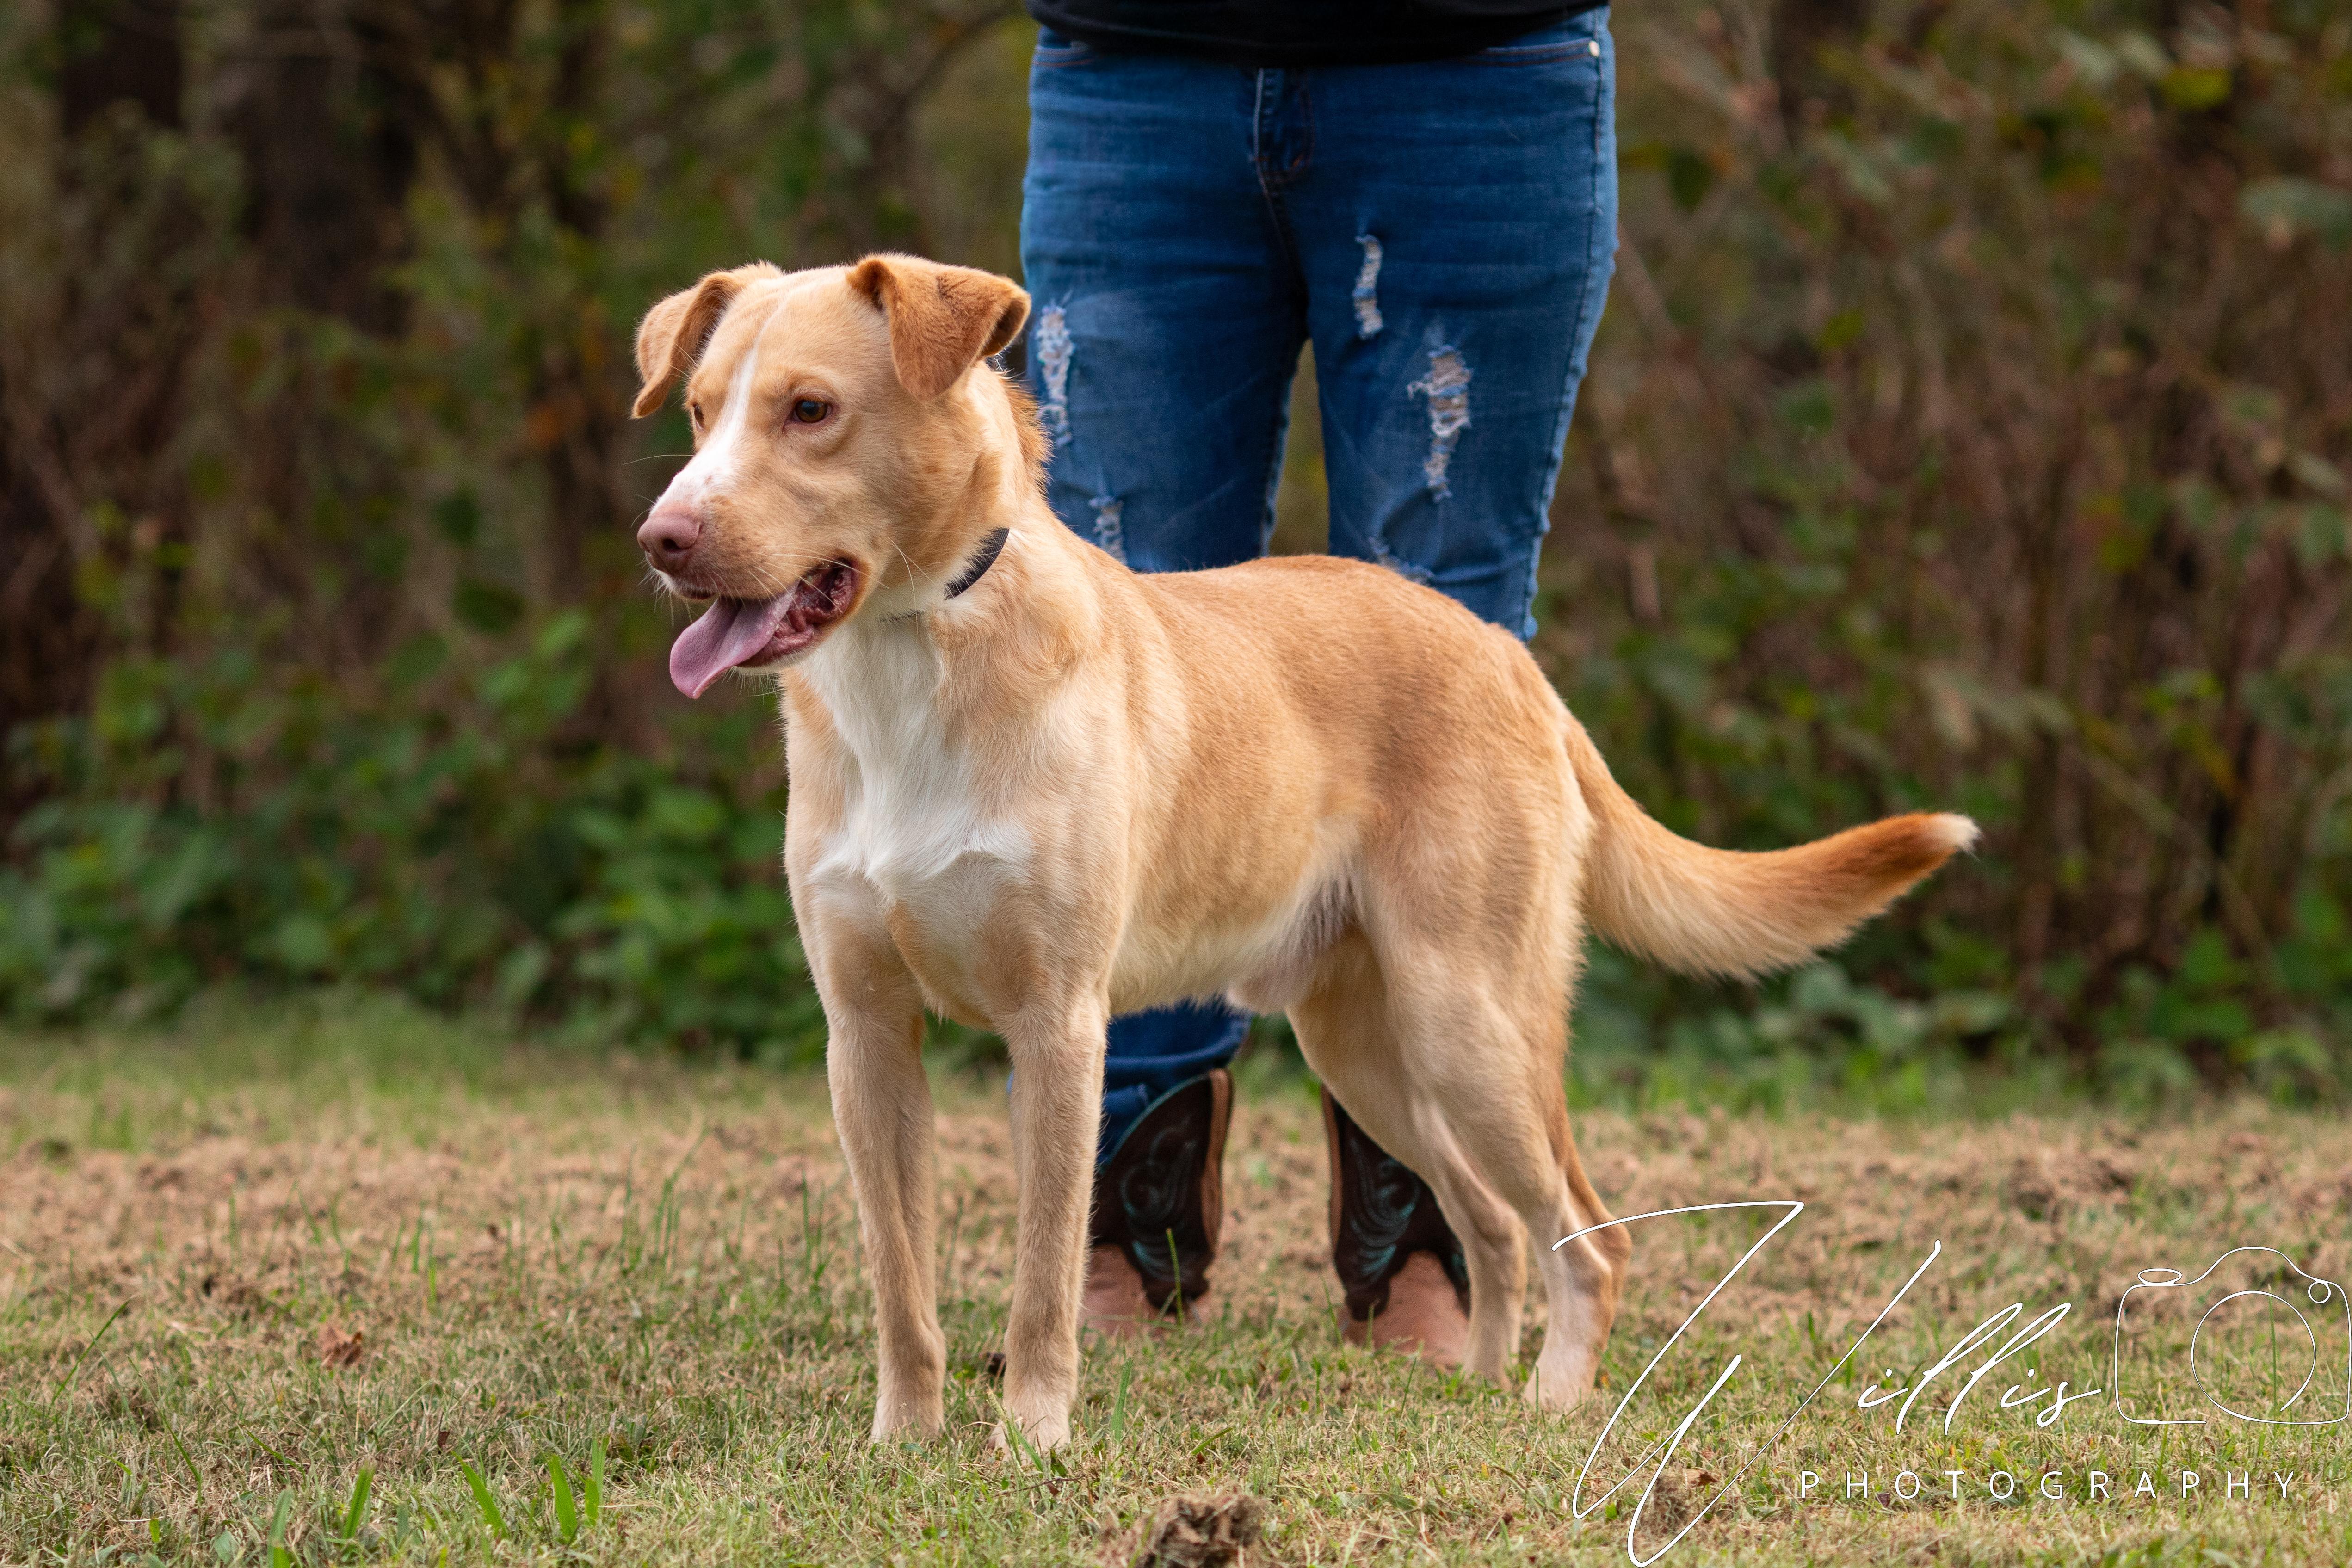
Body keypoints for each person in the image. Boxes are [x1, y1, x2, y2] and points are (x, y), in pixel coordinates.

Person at [1017, 0, 1617, 1361]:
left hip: (1479, 68)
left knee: (1439, 654)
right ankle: (1130, 1215)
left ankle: (1422, 1240)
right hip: (1136, 66)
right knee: (1101, 661)